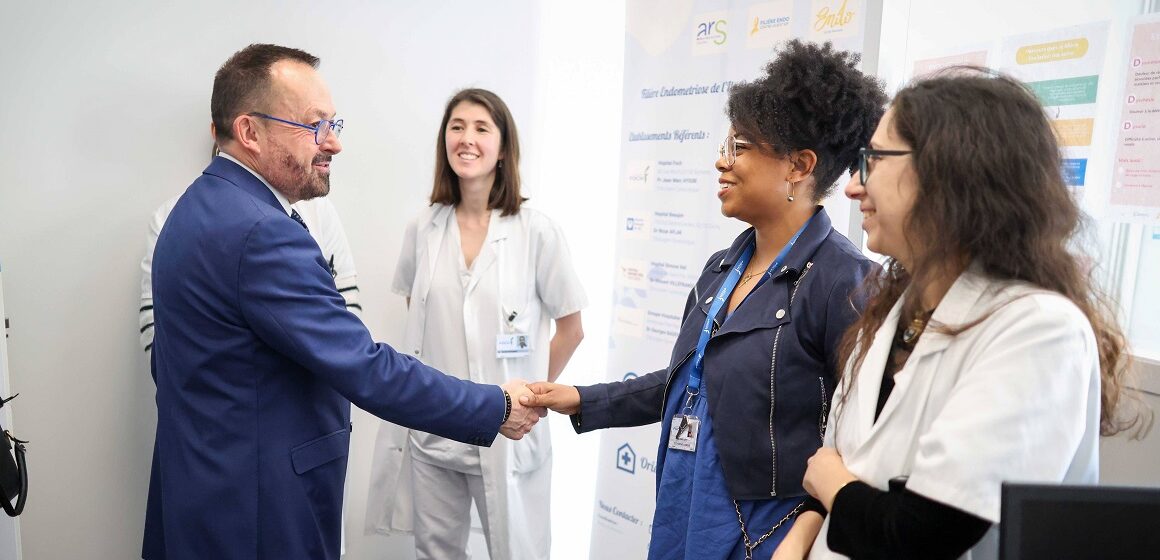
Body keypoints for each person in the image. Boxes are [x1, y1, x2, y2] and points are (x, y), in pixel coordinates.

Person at [142, 44, 542, 560]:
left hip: (207, 493)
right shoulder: (263, 233)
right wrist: (496, 405)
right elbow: (365, 367)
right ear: (249, 132)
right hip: (259, 513)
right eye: (314, 126)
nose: (333, 143)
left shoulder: (196, 207)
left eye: (335, 124)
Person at [525, 40, 885, 560]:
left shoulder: (847, 282)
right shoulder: (721, 268)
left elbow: (858, 444)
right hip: (684, 504)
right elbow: (689, 382)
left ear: (799, 166)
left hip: (768, 532)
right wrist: (580, 398)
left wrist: (805, 534)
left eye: (740, 147)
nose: (721, 161)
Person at [799, 69, 1151, 560]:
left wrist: (836, 485)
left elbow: (924, 534)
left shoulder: (1038, 329)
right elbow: (832, 463)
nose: (854, 186)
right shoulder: (893, 309)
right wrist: (801, 535)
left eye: (874, 160)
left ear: (949, 171)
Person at [365, 88, 587, 560]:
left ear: (504, 148)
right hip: (436, 429)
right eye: (457, 127)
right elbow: (418, 321)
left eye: (482, 128)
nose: (467, 138)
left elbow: (572, 328)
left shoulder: (536, 230)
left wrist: (530, 394)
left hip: (510, 431)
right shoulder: (423, 228)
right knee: (437, 554)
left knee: (520, 553)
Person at [139, 150, 363, 353]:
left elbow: (346, 299)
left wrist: (344, 368)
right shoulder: (171, 216)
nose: (333, 144)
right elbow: (155, 325)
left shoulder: (316, 208)